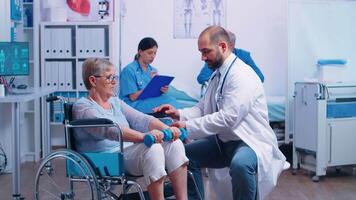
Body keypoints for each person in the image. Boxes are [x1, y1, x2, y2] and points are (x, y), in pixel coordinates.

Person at [154, 26, 288, 200]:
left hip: (248, 141)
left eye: (206, 51)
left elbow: (228, 118)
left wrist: (186, 126)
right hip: (223, 142)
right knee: (183, 157)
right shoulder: (217, 75)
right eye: (201, 52)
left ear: (223, 47)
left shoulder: (242, 75)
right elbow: (203, 107)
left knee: (241, 165)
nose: (202, 57)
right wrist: (178, 113)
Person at [73, 58, 189, 200]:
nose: (114, 82)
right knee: (153, 148)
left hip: (126, 153)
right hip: (104, 158)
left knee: (174, 143)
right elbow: (110, 130)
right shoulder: (82, 107)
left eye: (115, 77)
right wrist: (144, 136)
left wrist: (169, 129)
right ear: (92, 81)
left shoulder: (115, 102)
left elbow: (141, 119)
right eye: (109, 78)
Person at [119, 37, 197, 114]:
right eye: (150, 53)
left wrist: (162, 90)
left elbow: (155, 92)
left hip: (149, 100)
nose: (153, 56)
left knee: (169, 99)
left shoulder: (153, 70)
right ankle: (181, 120)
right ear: (140, 52)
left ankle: (181, 120)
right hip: (133, 104)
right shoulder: (129, 70)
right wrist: (150, 88)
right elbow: (133, 97)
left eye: (155, 53)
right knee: (168, 103)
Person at [196, 31, 264, 85]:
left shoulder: (244, 56)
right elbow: (202, 78)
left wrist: (234, 81)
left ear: (231, 45)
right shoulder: (214, 57)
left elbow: (260, 77)